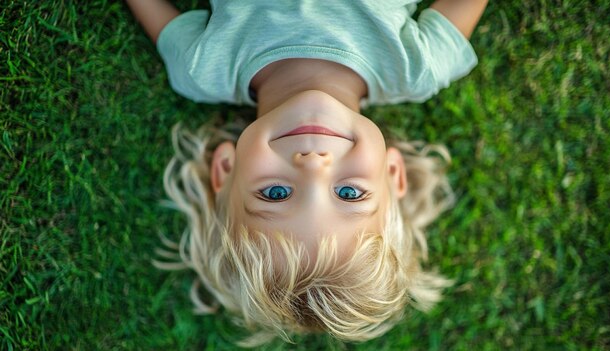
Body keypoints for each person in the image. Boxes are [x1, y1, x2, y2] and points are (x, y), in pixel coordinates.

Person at [126, 0, 488, 347]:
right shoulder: (417, 65)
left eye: (276, 194)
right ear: (392, 174)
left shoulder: (202, 67)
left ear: (226, 168)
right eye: (349, 194)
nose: (314, 164)